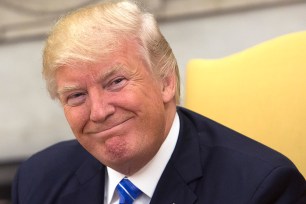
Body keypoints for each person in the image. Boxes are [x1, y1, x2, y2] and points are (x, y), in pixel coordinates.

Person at [12, 1, 306, 203]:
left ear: (167, 81)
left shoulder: (261, 189)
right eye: (77, 95)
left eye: (115, 82)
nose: (99, 112)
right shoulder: (37, 181)